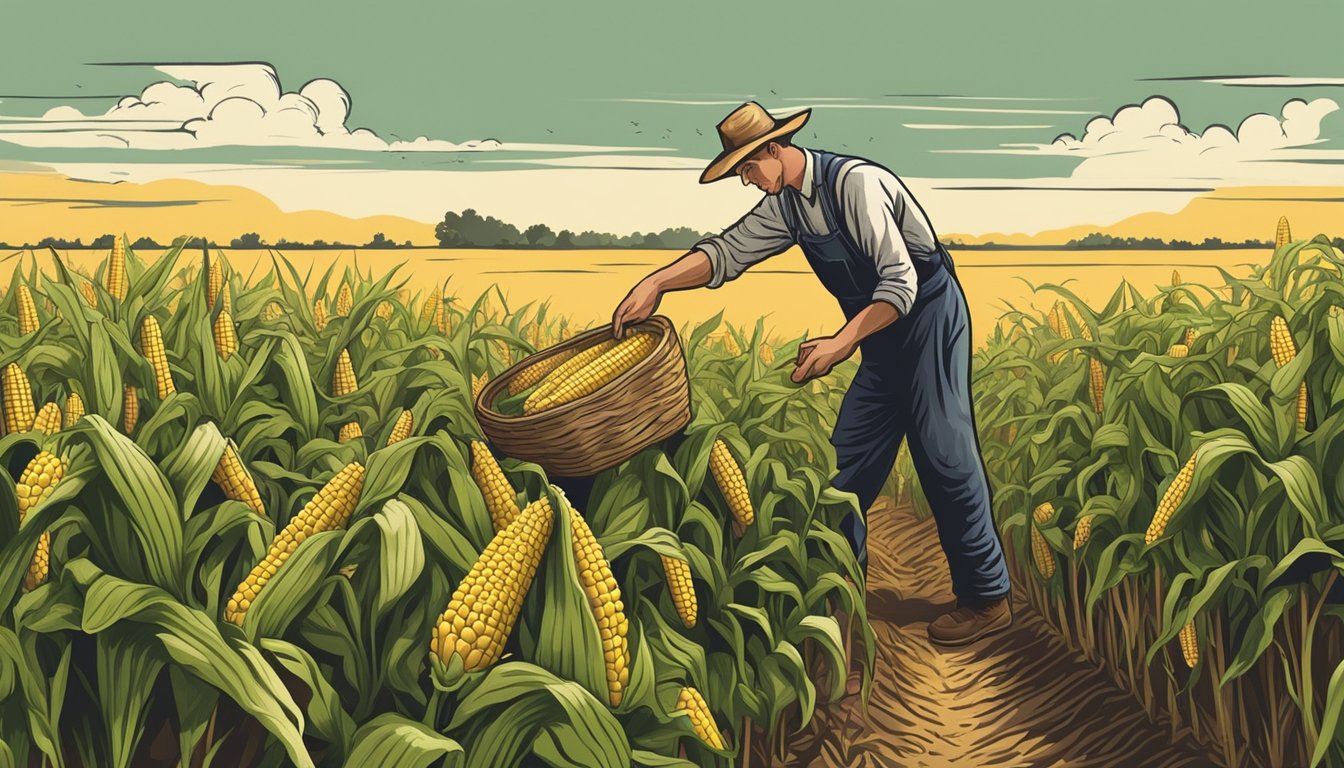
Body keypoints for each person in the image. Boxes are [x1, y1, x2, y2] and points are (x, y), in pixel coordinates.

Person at [612, 102, 1014, 659]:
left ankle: (987, 597)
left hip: (928, 317)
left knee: (945, 451)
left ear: (774, 151)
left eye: (748, 168)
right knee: (846, 461)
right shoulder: (786, 208)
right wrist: (658, 281)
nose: (748, 182)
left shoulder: (858, 185)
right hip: (874, 331)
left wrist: (840, 344)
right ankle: (841, 592)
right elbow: (727, 251)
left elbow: (901, 285)